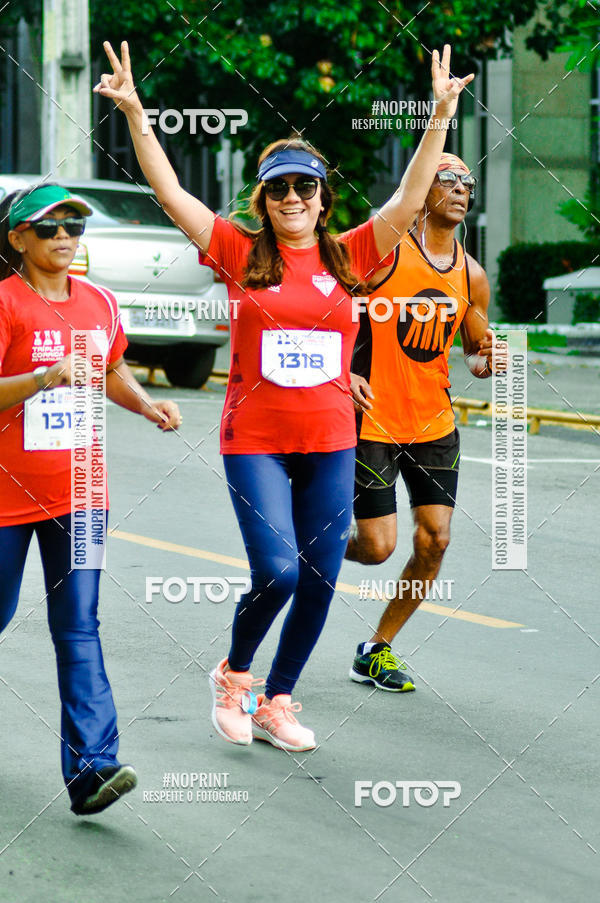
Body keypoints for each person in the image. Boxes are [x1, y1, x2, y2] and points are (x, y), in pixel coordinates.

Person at [95, 41, 473, 751]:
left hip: (332, 439)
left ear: (323, 199)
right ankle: (235, 673)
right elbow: (172, 194)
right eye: (279, 190)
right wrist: (139, 115)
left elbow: (411, 192)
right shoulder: (239, 252)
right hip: (257, 442)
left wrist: (440, 114)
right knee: (277, 571)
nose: (292, 199)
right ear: (262, 201)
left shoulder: (352, 253)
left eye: (305, 188)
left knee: (322, 575)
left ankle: (279, 699)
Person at [0, 183, 181, 814]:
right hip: (5, 496)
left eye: (73, 225)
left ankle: (93, 771)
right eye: (48, 227)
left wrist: (147, 404)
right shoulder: (5, 303)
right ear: (18, 237)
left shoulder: (100, 302)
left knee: (79, 627)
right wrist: (42, 376)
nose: (64, 237)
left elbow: (111, 371)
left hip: (81, 493)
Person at [347, 152, 507, 692]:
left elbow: (475, 356)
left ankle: (377, 648)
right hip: (371, 421)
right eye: (448, 179)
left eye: (469, 182)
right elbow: (325, 311)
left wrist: (490, 360)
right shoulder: (384, 255)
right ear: (420, 190)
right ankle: (305, 546)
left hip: (433, 422)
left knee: (435, 540)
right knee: (376, 547)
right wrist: (342, 371)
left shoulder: (472, 275)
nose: (461, 189)